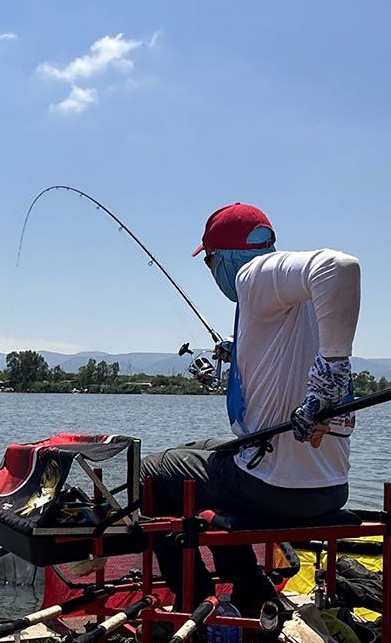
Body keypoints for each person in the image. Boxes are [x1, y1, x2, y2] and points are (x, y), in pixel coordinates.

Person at [141, 201, 361, 619]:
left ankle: (193, 600)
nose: (212, 272)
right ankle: (248, 588)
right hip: (331, 486)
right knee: (206, 449)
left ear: (223, 257)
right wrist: (236, 350)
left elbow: (340, 265)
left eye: (209, 262)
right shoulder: (299, 298)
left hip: (277, 488)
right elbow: (286, 355)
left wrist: (333, 370)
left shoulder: (251, 276)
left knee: (154, 470)